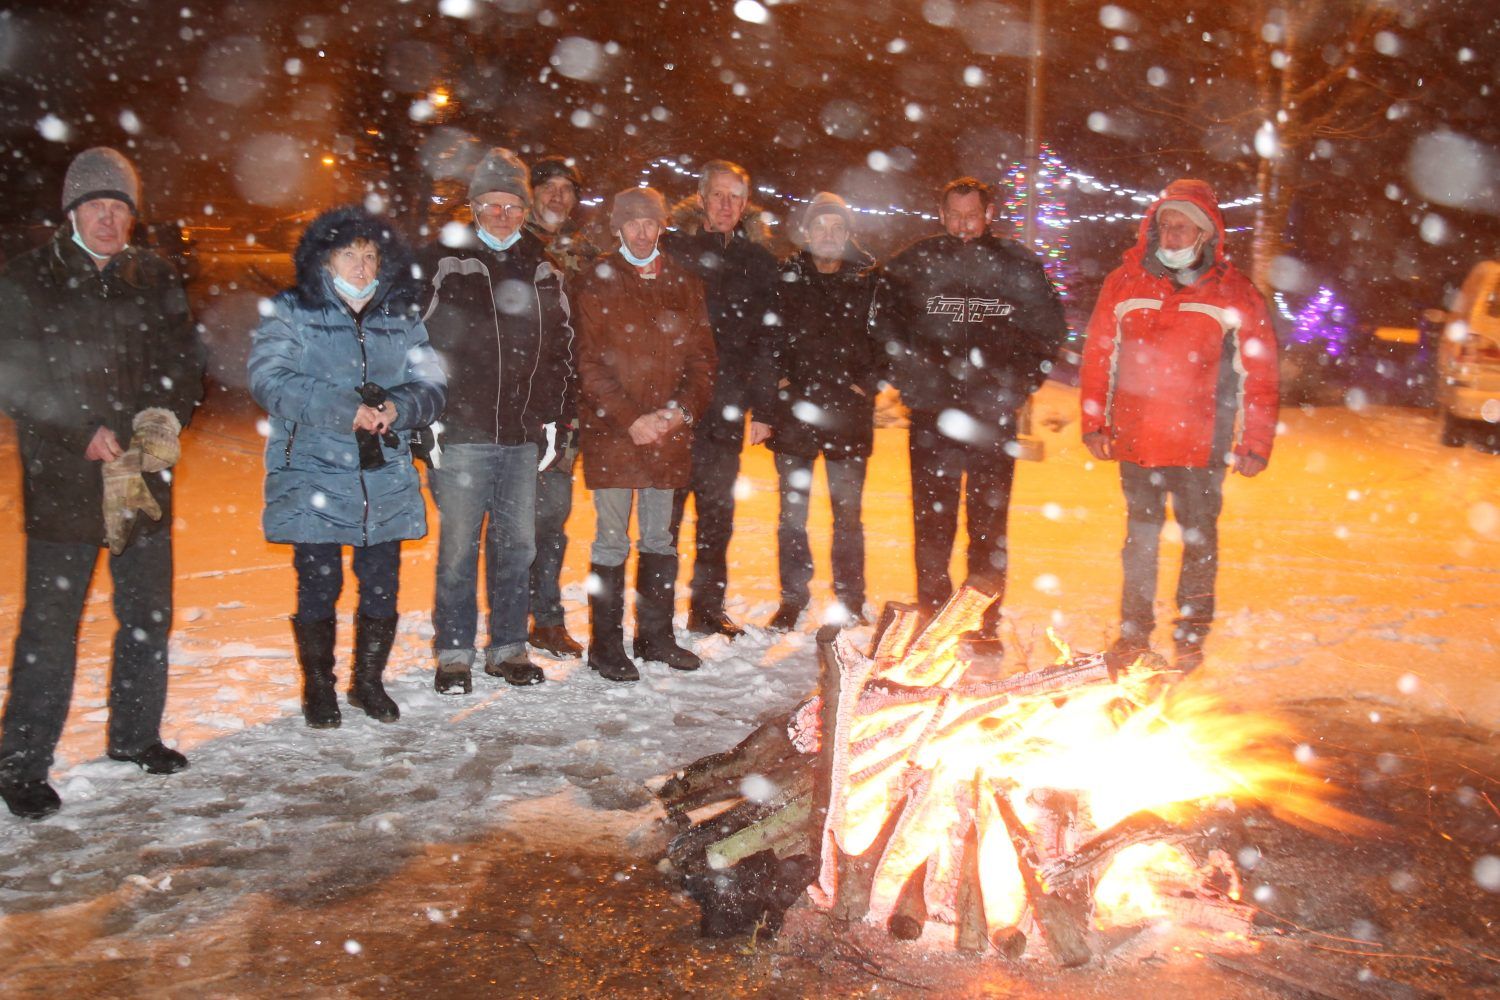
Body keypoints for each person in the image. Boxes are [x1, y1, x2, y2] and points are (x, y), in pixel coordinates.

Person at [0, 147, 204, 819]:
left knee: (146, 616)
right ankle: (21, 763)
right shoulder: (29, 278)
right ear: (71, 212)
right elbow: (17, 376)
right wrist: (78, 428)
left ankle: (135, 735)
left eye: (119, 208)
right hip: (66, 478)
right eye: (96, 207)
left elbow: (183, 363)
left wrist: (159, 421)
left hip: (139, 474)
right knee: (50, 628)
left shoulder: (153, 276)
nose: (109, 220)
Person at [249, 205, 446, 728]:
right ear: (324, 259)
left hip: (382, 472)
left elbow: (432, 381)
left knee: (381, 581)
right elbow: (269, 378)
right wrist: (340, 408)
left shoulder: (399, 315)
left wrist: (399, 406)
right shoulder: (293, 310)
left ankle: (368, 681)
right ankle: (319, 686)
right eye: (348, 255)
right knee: (318, 583)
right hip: (313, 470)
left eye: (370, 256)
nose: (361, 267)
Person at [1079, 179, 1279, 673]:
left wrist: (1254, 441)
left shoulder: (1234, 293)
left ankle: (1190, 640)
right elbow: (1099, 356)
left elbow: (1260, 373)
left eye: (1182, 226)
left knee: (1198, 544)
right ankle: (1133, 636)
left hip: (1202, 447)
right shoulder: (1124, 284)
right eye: (1165, 224)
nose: (1171, 235)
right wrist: (1093, 422)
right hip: (1136, 441)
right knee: (1140, 543)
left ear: (1206, 233)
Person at [872, 177, 1067, 649]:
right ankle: (933, 619)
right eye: (954, 215)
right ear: (942, 214)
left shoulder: (1015, 264)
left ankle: (982, 623)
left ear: (989, 214)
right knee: (932, 523)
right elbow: (881, 322)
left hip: (991, 416)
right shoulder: (916, 262)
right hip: (932, 414)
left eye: (972, 216)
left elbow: (1048, 330)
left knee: (988, 526)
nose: (963, 225)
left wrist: (1018, 385)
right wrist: (910, 377)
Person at [417, 148, 575, 692]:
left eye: (512, 204)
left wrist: (557, 419)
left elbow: (561, 350)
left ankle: (509, 648)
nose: (502, 214)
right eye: (492, 204)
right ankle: (454, 652)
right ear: (474, 206)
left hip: (522, 436)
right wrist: (427, 419)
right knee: (459, 546)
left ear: (524, 209)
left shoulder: (542, 267)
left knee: (517, 547)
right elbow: (412, 345)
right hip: (460, 435)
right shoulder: (443, 261)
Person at [573, 188, 717, 681]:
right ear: (617, 227)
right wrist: (629, 417)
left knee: (661, 538)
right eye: (631, 222)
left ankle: (656, 637)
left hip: (668, 431)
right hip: (615, 432)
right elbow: (587, 363)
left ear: (661, 227)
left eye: (649, 222)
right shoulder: (595, 280)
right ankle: (605, 645)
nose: (641, 231)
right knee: (611, 541)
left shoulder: (684, 281)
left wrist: (679, 412)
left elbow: (702, 359)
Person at [661, 160, 780, 639]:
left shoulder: (759, 262)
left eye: (735, 196)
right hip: (671, 409)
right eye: (718, 195)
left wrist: (765, 408)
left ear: (745, 203)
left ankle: (707, 609)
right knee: (662, 522)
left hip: (726, 408)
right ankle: (656, 615)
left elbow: (769, 340)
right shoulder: (672, 251)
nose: (726, 205)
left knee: (716, 518)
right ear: (701, 198)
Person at [755, 192, 881, 632]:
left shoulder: (868, 280)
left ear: (848, 235)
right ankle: (793, 598)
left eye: (837, 228)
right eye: (821, 227)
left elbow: (890, 340)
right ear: (807, 233)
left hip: (848, 415)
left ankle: (851, 598)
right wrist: (780, 386)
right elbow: (766, 340)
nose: (829, 236)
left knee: (847, 516)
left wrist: (865, 383)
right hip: (795, 416)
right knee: (792, 516)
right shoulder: (785, 277)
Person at [522, 155, 601, 659]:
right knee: (506, 523)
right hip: (509, 406)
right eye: (547, 187)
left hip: (564, 411)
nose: (557, 197)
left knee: (551, 518)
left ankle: (546, 619)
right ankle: (506, 620)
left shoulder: (586, 253)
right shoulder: (505, 240)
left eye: (565, 190)